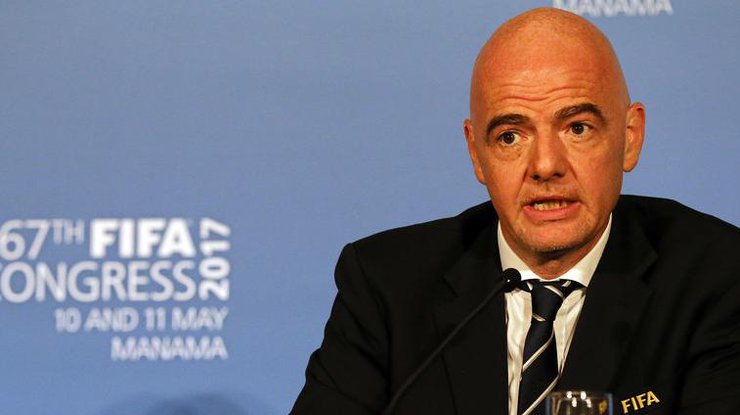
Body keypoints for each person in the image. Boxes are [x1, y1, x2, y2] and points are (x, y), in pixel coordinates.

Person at [292, 7, 740, 415]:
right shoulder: (386, 284)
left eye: (577, 128)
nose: (545, 166)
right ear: (476, 153)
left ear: (630, 137)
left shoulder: (716, 276)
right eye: (510, 136)